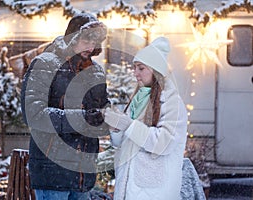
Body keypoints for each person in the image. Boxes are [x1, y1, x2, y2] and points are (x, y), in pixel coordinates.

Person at [21, 13, 110, 200]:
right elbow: (34, 114)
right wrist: (83, 118)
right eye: (86, 41)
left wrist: (106, 117)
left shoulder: (95, 72)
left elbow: (101, 109)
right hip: (52, 174)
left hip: (82, 176)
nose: (91, 47)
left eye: (94, 42)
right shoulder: (44, 64)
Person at [104, 36, 188, 200]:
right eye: (134, 68)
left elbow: (164, 143)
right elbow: (124, 143)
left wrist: (128, 126)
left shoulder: (172, 103)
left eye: (140, 68)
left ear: (156, 70)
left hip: (154, 190)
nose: (135, 73)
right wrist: (116, 129)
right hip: (130, 187)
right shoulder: (139, 98)